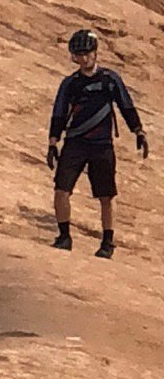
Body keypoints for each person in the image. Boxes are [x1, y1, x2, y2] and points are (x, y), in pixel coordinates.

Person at [47, 29, 148, 259]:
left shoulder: (109, 80)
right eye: (78, 54)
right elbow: (59, 114)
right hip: (75, 143)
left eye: (86, 53)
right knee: (61, 190)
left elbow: (126, 105)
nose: (83, 58)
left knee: (105, 195)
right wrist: (53, 143)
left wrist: (138, 131)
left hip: (102, 145)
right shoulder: (70, 84)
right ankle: (64, 237)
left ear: (95, 53)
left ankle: (107, 241)